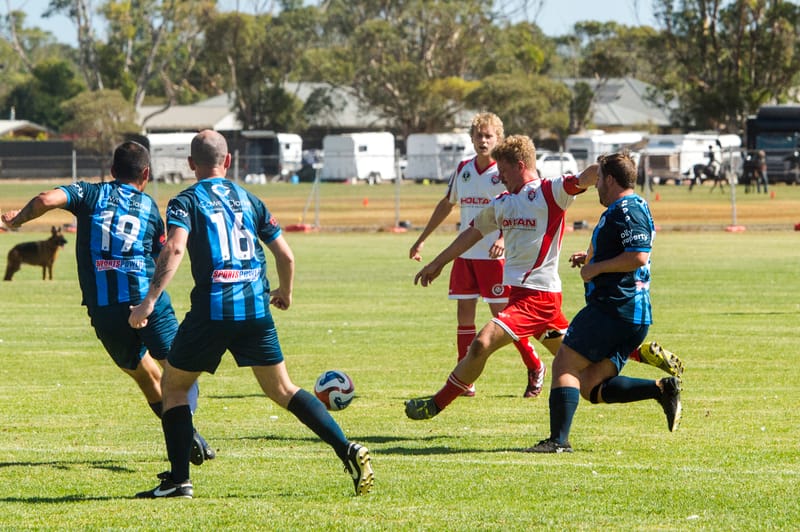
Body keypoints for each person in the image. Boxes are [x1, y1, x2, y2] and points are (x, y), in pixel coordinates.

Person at [129, 130, 373, 498]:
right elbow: (286, 255)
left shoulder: (185, 201)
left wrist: (149, 302)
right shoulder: (250, 199)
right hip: (256, 308)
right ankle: (347, 449)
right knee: (283, 389)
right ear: (228, 161)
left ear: (191, 164)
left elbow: (175, 250)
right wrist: (285, 293)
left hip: (213, 311)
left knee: (174, 387)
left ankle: (179, 481)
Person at [0, 141, 214, 465]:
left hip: (105, 310)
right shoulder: (148, 208)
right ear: (146, 173)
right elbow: (162, 255)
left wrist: (18, 220)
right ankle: (186, 434)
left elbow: (46, 199)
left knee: (146, 377)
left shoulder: (89, 193)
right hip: (147, 302)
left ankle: (189, 437)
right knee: (178, 371)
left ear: (112, 171)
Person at [405, 135, 598, 420]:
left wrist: (611, 166)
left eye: (504, 173)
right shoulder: (503, 202)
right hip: (525, 297)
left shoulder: (551, 191)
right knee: (588, 369)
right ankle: (655, 382)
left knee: (482, 343)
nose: (501, 178)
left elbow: (586, 177)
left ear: (520, 166)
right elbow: (471, 233)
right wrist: (438, 263)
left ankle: (436, 403)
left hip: (537, 298)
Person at [527, 152, 681, 454]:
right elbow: (627, 250)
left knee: (564, 364)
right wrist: (592, 258)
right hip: (627, 313)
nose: (595, 184)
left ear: (610, 180)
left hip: (613, 309)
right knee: (591, 386)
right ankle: (661, 390)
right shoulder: (629, 207)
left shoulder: (626, 209)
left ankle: (558, 441)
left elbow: (638, 256)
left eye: (598, 178)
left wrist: (595, 268)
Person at [409, 113, 547, 398]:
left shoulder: (506, 172)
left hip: (494, 261)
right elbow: (447, 205)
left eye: (489, 136)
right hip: (465, 257)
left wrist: (502, 240)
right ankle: (465, 380)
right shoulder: (464, 170)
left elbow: (518, 208)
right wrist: (422, 240)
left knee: (504, 319)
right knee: (464, 317)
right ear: (471, 139)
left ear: (499, 139)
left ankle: (535, 366)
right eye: (478, 136)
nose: (483, 141)